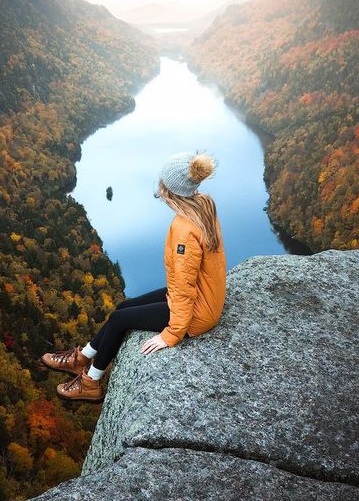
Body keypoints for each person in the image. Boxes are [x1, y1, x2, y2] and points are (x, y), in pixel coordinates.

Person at [41, 150, 227, 402]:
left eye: (163, 182)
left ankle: (90, 382)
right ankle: (82, 357)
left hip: (196, 312)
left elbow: (184, 288)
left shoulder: (185, 231)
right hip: (203, 298)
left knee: (119, 319)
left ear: (169, 190)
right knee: (123, 306)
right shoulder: (203, 205)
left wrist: (172, 333)